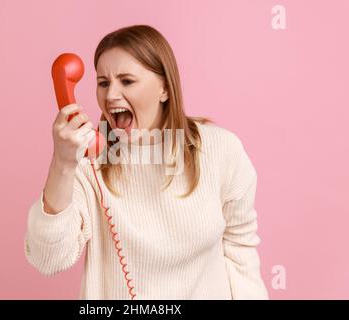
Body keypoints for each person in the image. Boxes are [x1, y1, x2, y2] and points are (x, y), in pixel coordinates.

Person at [24, 25, 269, 300]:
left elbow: (240, 251)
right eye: (103, 83)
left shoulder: (220, 149)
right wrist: (63, 163)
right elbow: (48, 259)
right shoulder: (88, 162)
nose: (111, 95)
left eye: (126, 81)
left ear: (164, 88)